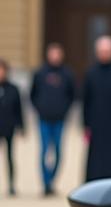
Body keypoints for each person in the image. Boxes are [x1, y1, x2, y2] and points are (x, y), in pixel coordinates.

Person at [29, 41, 77, 196]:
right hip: (44, 118)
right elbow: (32, 95)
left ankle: (52, 179)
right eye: (52, 53)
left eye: (57, 54)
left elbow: (73, 95)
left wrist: (65, 110)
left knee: (57, 151)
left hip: (59, 119)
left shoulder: (67, 74)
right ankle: (45, 183)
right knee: (44, 151)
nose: (55, 57)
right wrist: (39, 109)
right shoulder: (40, 73)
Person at [81, 34, 111, 180]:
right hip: (95, 122)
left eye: (107, 51)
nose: (105, 54)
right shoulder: (91, 73)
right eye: (102, 51)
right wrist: (85, 123)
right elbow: (86, 101)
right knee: (95, 158)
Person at [0, 58, 25, 196]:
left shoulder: (13, 89)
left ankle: (11, 185)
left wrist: (22, 127)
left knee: (9, 157)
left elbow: (19, 109)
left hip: (8, 127)